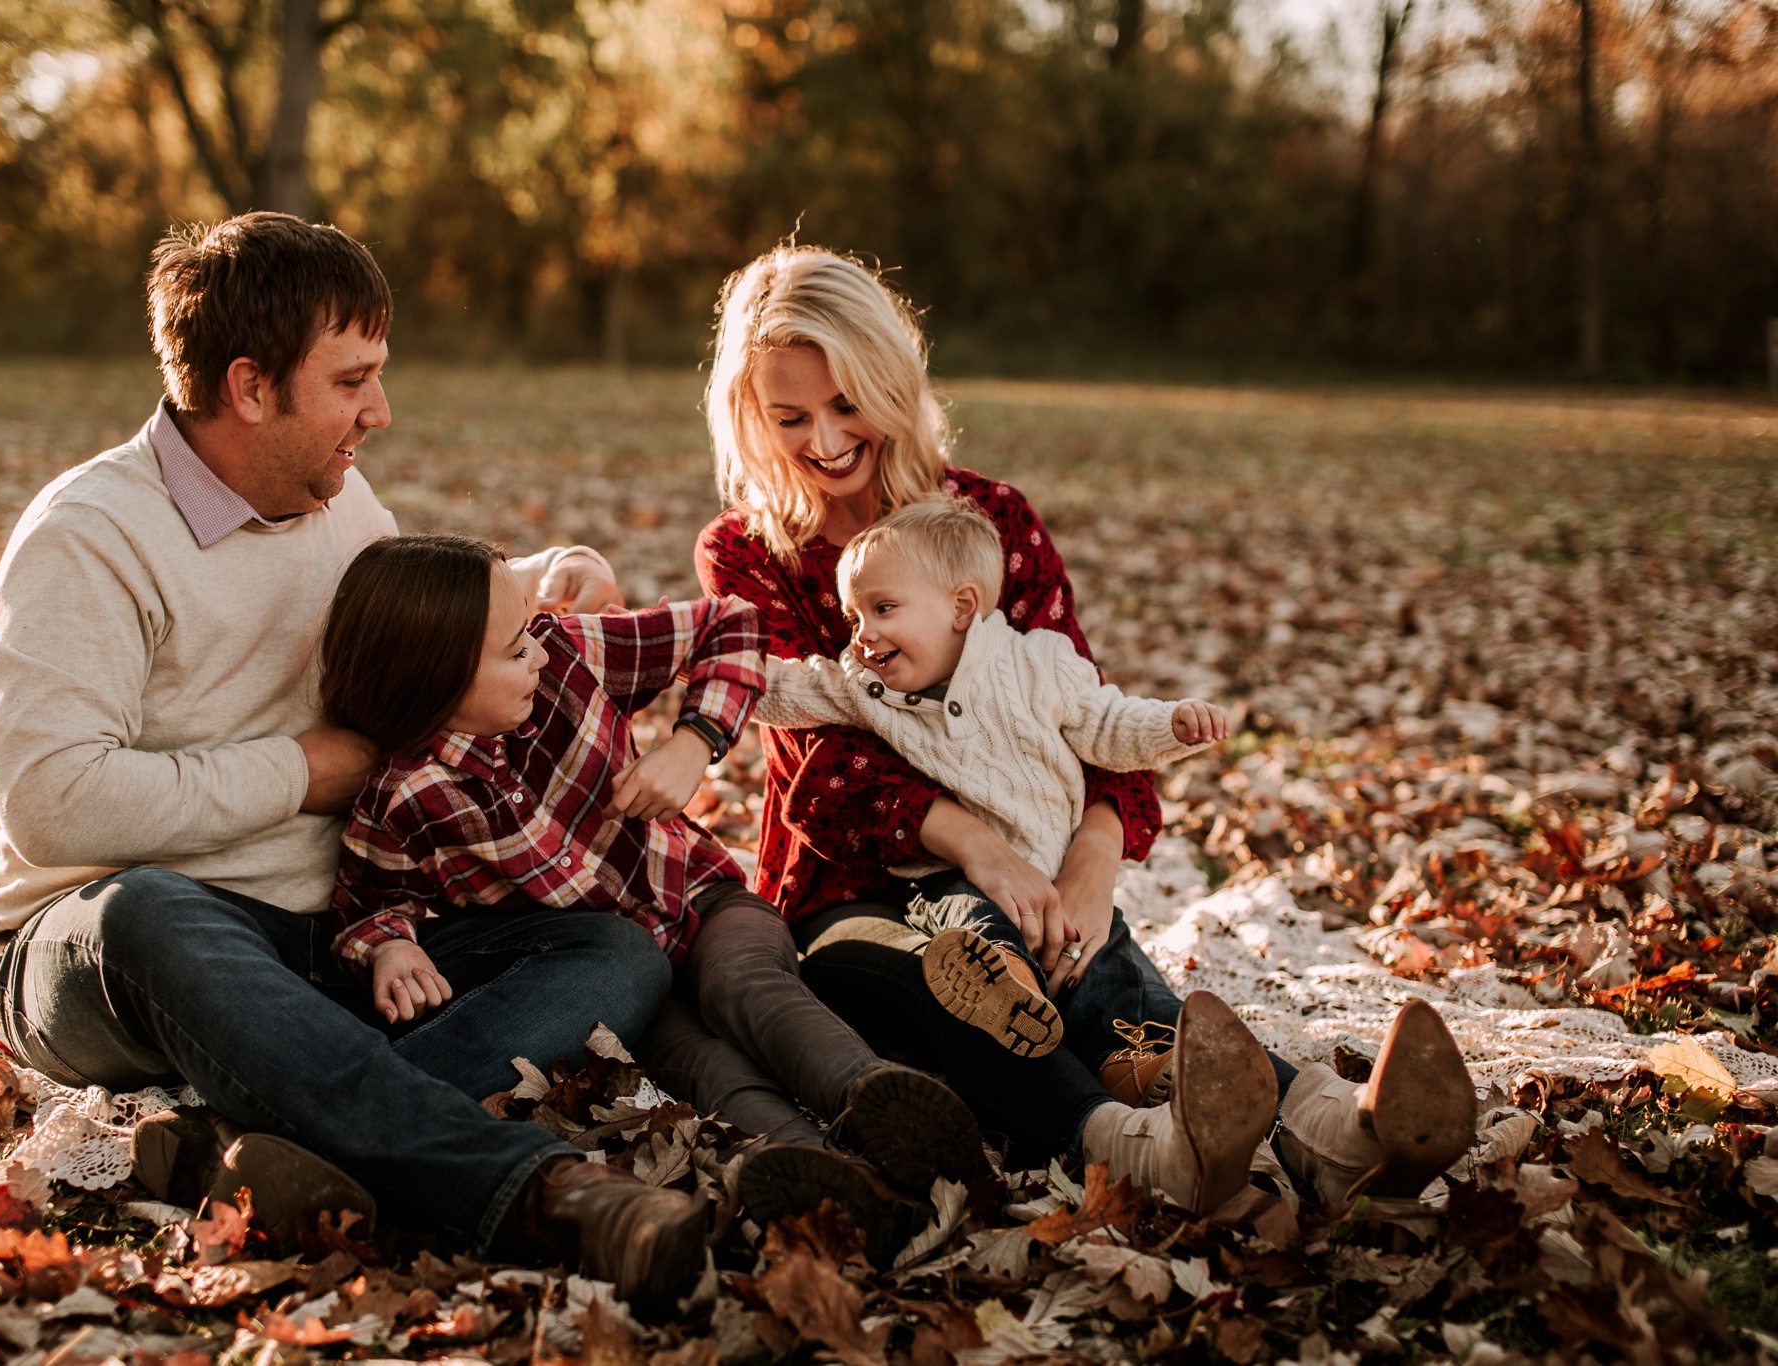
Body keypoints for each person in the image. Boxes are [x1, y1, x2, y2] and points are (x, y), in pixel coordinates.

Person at [0, 212, 707, 1307]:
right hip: (108, 949)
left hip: (337, 925)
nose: (380, 410)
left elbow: (423, 631)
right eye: (352, 380)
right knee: (146, 912)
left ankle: (255, 1143)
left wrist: (550, 572)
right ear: (251, 388)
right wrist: (304, 771)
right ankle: (551, 1197)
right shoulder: (87, 538)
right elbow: (55, 806)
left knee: (614, 947)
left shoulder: (336, 495)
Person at [690, 244, 1479, 1214]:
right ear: (749, 417)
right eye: (789, 417)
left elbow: (1080, 704)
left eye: (847, 403)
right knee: (970, 981)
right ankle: (1134, 1149)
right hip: (856, 884)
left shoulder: (989, 518)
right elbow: (817, 764)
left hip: (1034, 843)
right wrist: (979, 852)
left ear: (893, 381)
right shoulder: (746, 550)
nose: (823, 438)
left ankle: (1333, 1131)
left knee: (1104, 982)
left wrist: (1089, 866)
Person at [318, 534, 986, 1262]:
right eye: (514, 651)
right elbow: (367, 902)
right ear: (435, 679)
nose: (535, 654)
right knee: (699, 1063)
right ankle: (837, 1185)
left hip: (700, 896)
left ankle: (888, 1107)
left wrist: (692, 741)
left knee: (743, 985)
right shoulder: (406, 798)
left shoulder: (567, 653)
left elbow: (733, 622)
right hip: (622, 968)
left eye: (529, 636)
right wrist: (388, 945)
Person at [756, 495, 1230, 1059]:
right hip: (951, 879)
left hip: (1058, 881)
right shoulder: (868, 687)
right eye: (855, 617)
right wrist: (699, 656)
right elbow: (784, 689)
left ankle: (1149, 1063)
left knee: (1107, 979)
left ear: (962, 607)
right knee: (974, 924)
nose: (862, 634)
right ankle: (1002, 998)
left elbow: (1107, 723)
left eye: (883, 609)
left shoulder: (1041, 664)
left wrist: (1172, 725)